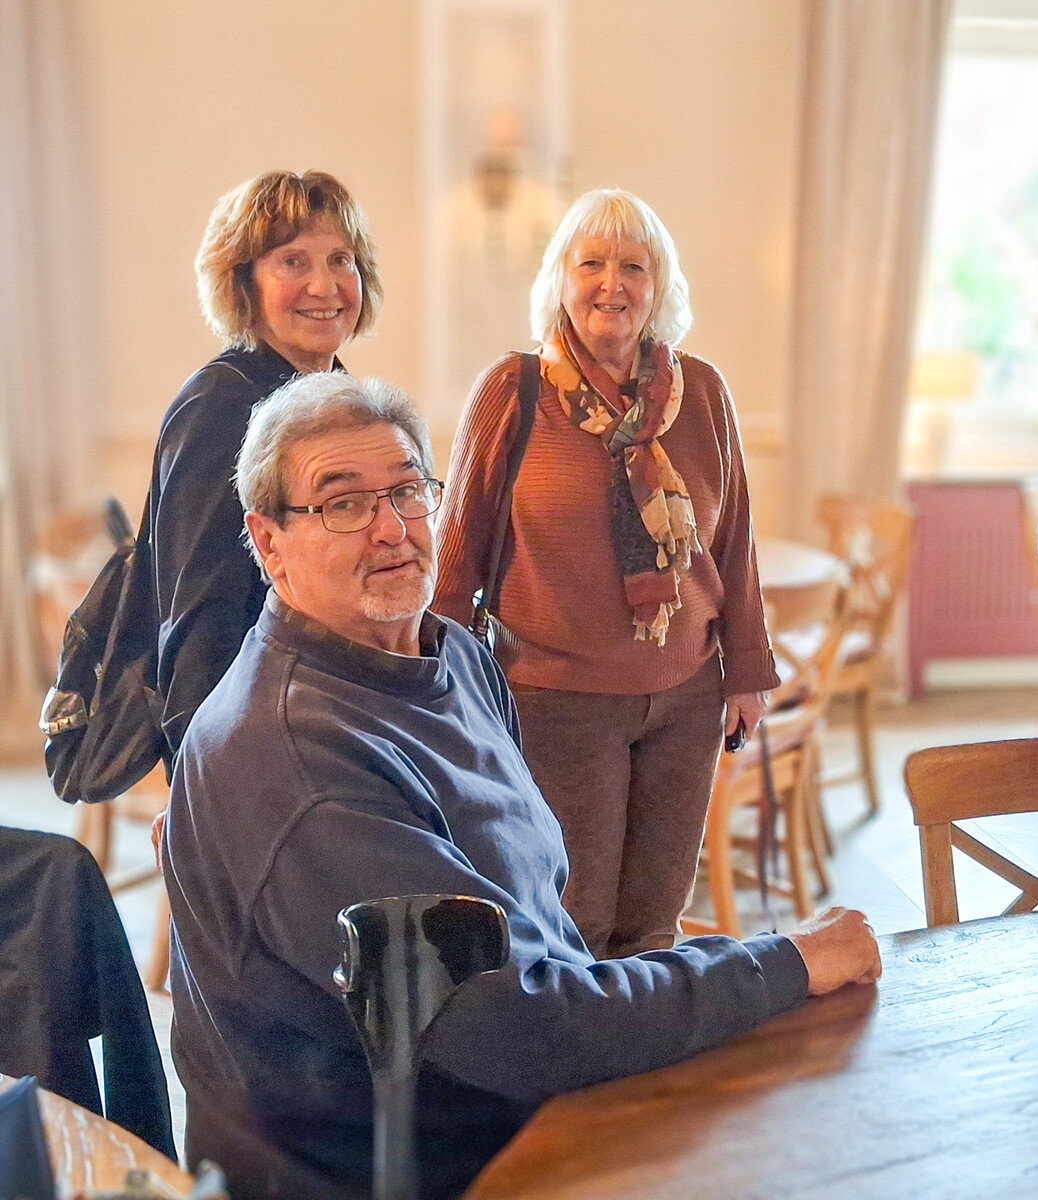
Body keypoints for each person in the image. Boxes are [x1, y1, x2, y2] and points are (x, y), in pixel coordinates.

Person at [162, 372, 880, 1199]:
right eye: (343, 503)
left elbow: (539, 941)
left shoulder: (454, 656)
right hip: (396, 1170)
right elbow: (526, 1030)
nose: (391, 528)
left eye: (407, 490)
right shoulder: (300, 760)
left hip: (510, 1106)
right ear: (268, 542)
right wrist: (780, 962)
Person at [434, 188, 778, 958]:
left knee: (656, 922)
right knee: (574, 920)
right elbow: (454, 565)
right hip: (556, 702)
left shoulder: (702, 394)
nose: (611, 284)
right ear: (560, 278)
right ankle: (572, 1041)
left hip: (687, 697)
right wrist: (437, 694)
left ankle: (650, 1038)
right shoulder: (513, 391)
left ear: (660, 287)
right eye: (591, 263)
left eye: (633, 266)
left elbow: (734, 544)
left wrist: (748, 673)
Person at [150, 169, 381, 761]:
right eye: (293, 262)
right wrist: (204, 772)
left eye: (340, 260)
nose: (324, 285)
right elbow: (199, 614)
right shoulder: (220, 405)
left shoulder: (335, 395)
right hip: (256, 732)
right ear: (243, 282)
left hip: (329, 708)